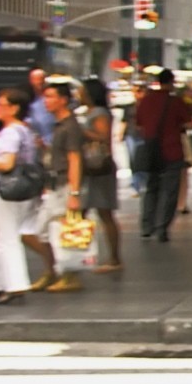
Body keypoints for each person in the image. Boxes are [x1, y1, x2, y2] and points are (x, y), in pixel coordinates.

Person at [0, 89, 48, 304]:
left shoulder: (11, 133)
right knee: (6, 234)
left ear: (14, 108)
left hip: (4, 188)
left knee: (7, 238)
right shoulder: (26, 131)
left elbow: (6, 164)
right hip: (24, 189)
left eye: (1, 104)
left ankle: (14, 285)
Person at [132, 68, 192, 242]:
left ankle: (146, 225)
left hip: (152, 151)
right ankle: (162, 227)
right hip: (172, 151)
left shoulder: (146, 101)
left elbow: (139, 124)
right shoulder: (176, 102)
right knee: (170, 191)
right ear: (172, 82)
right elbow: (187, 122)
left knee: (151, 188)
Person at [39, 84, 86, 294]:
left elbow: (74, 159)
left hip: (64, 184)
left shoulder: (70, 126)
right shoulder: (59, 125)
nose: (45, 101)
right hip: (54, 183)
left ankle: (69, 275)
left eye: (50, 96)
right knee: (45, 231)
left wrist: (74, 192)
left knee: (62, 231)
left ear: (63, 100)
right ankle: (55, 270)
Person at [75, 76, 122, 273]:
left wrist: (81, 131)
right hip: (89, 168)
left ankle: (113, 257)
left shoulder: (100, 113)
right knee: (82, 212)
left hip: (99, 167)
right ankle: (78, 255)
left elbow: (102, 136)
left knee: (103, 212)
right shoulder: (89, 112)